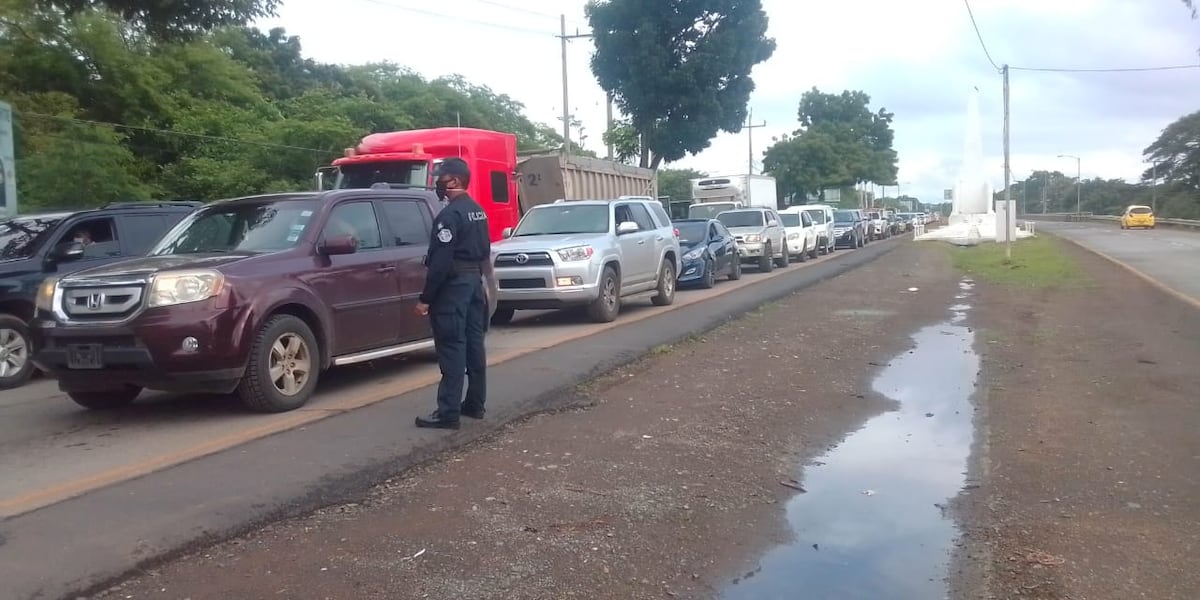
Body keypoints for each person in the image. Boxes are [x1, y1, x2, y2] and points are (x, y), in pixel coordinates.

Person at [414, 157, 491, 429]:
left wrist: (426, 298)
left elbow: (441, 262)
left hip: (453, 287)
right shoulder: (477, 210)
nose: (438, 183)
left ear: (455, 181)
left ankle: (448, 412)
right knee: (473, 345)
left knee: (451, 346)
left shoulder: (449, 215)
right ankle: (475, 404)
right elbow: (485, 252)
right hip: (473, 284)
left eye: (441, 178)